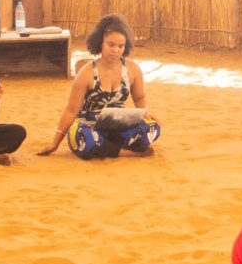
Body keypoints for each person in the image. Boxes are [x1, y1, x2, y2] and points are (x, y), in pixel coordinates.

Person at [41, 16, 160, 160]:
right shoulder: (86, 73)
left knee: (153, 128)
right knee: (87, 139)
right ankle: (123, 151)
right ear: (100, 43)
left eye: (120, 46)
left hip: (118, 122)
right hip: (88, 124)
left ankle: (107, 146)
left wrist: (146, 113)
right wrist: (55, 143)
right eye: (111, 44)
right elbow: (71, 110)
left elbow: (140, 97)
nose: (116, 50)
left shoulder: (132, 69)